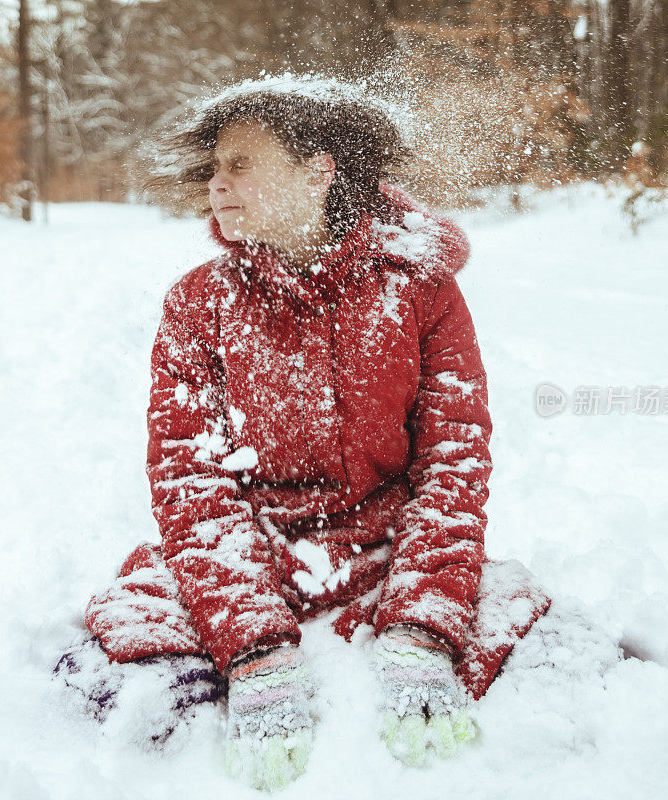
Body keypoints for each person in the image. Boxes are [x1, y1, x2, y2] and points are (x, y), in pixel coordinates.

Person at [53, 75, 551, 792]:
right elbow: (190, 482)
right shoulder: (199, 304)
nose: (216, 185)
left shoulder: (422, 290)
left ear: (317, 173)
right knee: (120, 689)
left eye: (240, 164)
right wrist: (252, 644)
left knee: (557, 662)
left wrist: (423, 624)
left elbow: (454, 466)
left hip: (387, 555)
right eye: (214, 168)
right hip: (251, 553)